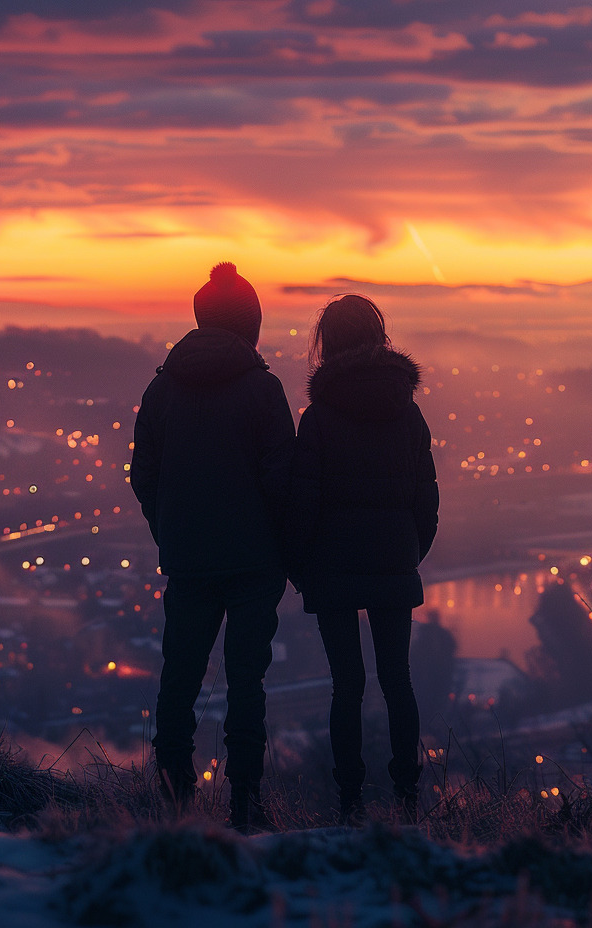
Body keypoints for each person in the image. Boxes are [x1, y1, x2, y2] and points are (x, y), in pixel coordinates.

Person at [130, 261, 294, 833]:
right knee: (247, 683)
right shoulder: (262, 388)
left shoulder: (162, 388)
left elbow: (143, 476)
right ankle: (245, 807)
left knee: (179, 679)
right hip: (253, 562)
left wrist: (168, 528)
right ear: (251, 324)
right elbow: (282, 480)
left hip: (188, 560)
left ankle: (176, 807)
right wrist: (278, 543)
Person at [287, 294, 439, 823]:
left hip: (332, 567)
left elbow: (302, 503)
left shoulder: (320, 417)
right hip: (394, 562)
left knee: (345, 684)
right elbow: (427, 499)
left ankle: (349, 801)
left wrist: (301, 568)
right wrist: (407, 552)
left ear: (327, 343)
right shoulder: (408, 411)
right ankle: (407, 799)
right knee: (398, 678)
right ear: (378, 337)